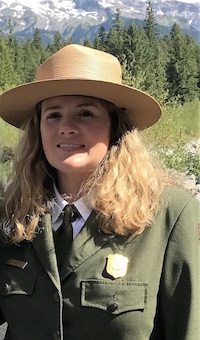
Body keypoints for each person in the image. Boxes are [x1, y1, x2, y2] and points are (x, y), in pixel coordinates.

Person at [0, 44, 199, 340]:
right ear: (38, 129)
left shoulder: (168, 215)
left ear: (115, 128)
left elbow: (188, 329)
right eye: (53, 115)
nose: (66, 127)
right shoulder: (12, 214)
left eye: (85, 113)